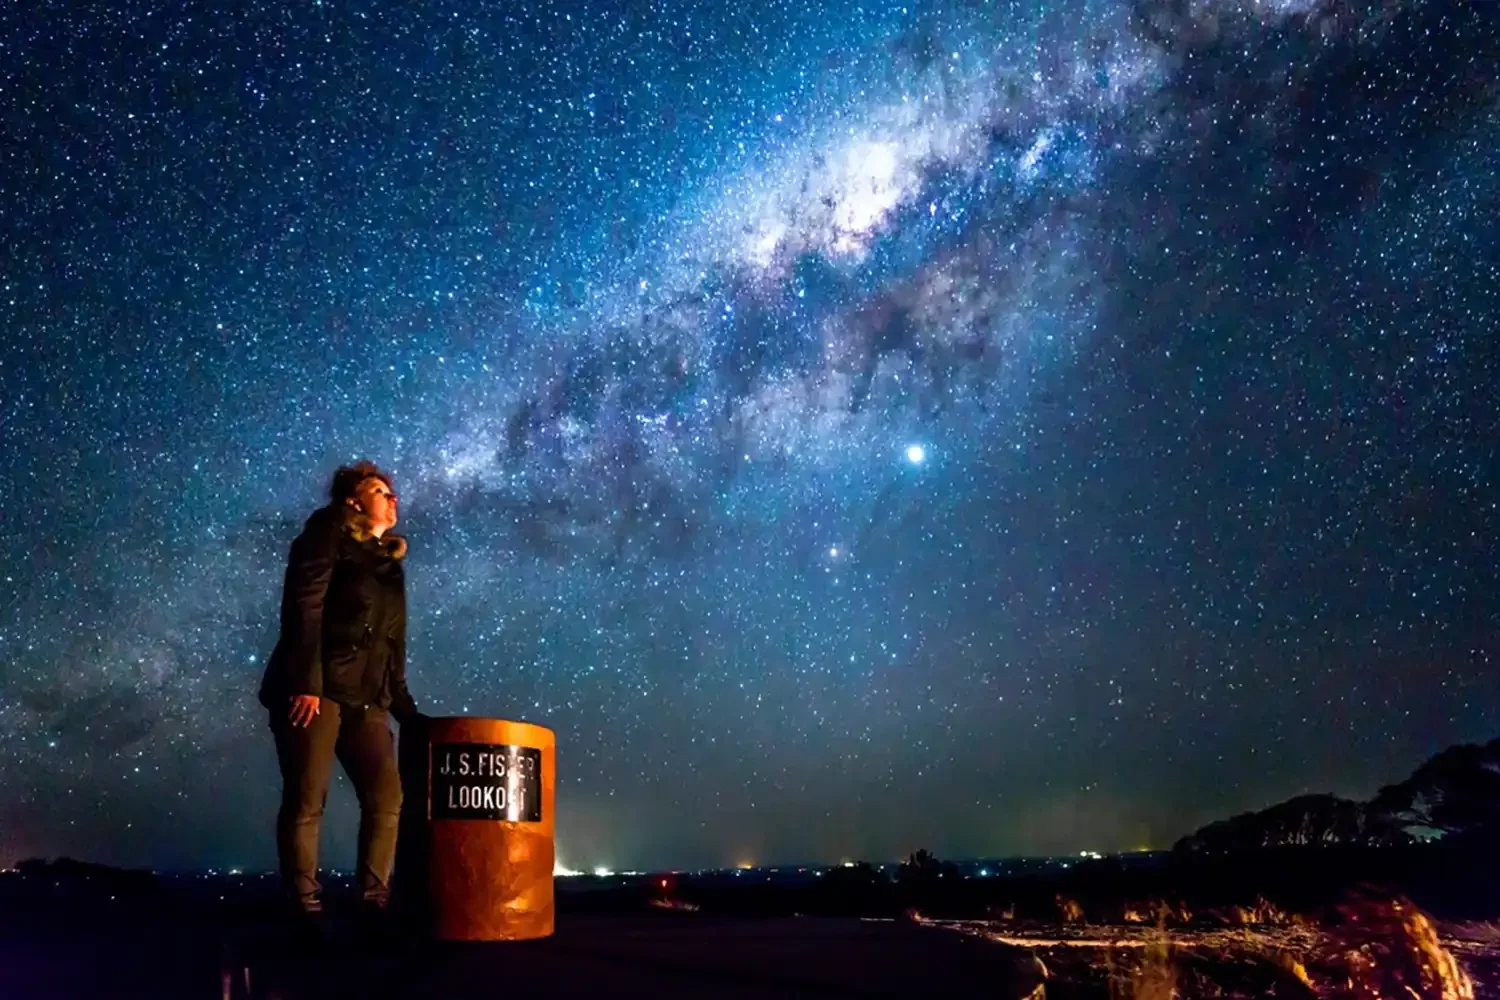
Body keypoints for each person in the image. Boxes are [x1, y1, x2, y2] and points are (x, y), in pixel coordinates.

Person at [258, 460, 424, 933]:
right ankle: (304, 907)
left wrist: (404, 707)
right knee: (308, 798)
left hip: (366, 699)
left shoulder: (390, 564)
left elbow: (394, 642)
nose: (392, 498)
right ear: (353, 501)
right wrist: (306, 683)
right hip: (317, 687)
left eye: (393, 492)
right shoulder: (326, 533)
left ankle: (373, 904)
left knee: (387, 795)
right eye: (379, 490)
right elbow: (304, 607)